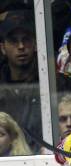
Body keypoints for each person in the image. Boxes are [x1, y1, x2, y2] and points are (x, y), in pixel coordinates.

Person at [0, 9, 42, 153]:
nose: (21, 46)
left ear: (36, 44)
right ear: (3, 48)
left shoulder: (52, 82)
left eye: (26, 39)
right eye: (13, 41)